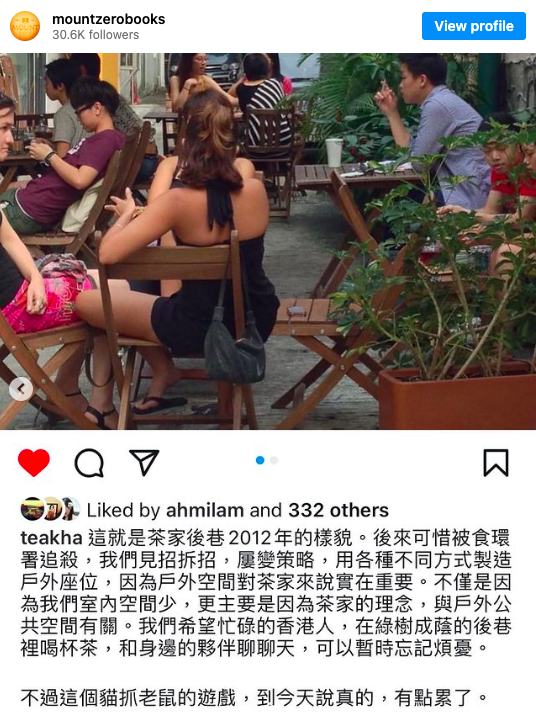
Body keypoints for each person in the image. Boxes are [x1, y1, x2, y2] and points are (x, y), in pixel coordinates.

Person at [74, 90, 279, 426]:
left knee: (87, 301)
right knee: (135, 295)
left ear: (185, 139)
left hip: (195, 326)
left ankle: (122, 392)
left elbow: (107, 253)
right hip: (255, 317)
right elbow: (230, 194)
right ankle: (212, 401)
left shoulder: (178, 202)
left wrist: (128, 215)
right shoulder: (255, 191)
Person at [0, 77, 125, 235]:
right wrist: (51, 149)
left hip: (27, 210)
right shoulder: (108, 139)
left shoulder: (104, 141)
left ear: (97, 108)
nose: (78, 118)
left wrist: (49, 155)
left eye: (79, 112)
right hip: (29, 203)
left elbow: (80, 180)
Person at [375, 53, 490, 209]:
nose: (401, 85)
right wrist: (392, 113)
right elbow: (415, 157)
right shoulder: (442, 99)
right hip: (464, 190)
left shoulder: (437, 105)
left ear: (422, 80)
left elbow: (419, 164)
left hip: (469, 197)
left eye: (404, 77)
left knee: (397, 200)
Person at [70, 53, 158, 182]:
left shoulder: (94, 100)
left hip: (140, 162)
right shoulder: (106, 92)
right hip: (145, 157)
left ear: (82, 70)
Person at [439, 113, 536, 222]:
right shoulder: (500, 170)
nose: (495, 157)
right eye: (487, 150)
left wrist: (467, 215)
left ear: (519, 145)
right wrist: (457, 215)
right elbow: (491, 210)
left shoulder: (531, 168)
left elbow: (521, 220)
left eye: (501, 148)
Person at [236, 54, 292, 149]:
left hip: (256, 147)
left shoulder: (241, 89)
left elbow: (245, 116)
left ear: (246, 70)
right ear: (265, 68)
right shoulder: (276, 84)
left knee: (236, 132)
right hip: (284, 143)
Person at [44, 58, 89, 157]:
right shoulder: (86, 106)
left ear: (60, 86)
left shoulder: (63, 114)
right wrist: (50, 146)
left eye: (47, 82)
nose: (45, 86)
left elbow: (62, 156)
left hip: (74, 165)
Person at [169, 53, 238, 112]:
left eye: (205, 59)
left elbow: (229, 99)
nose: (203, 63)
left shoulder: (205, 80)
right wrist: (187, 86)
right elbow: (176, 109)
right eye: (199, 59)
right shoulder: (176, 80)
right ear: (189, 61)